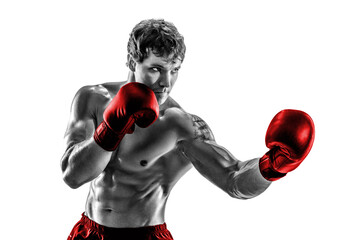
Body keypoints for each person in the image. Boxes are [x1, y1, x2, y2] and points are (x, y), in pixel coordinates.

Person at [61, 19, 315, 240]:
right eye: (156, 69)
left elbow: (234, 180)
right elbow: (73, 176)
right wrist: (113, 125)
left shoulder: (180, 125)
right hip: (90, 232)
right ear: (131, 61)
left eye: (174, 70)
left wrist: (275, 165)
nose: (166, 82)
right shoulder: (92, 98)